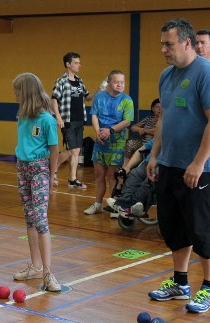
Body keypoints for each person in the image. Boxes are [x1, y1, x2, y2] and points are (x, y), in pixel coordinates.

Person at [146, 18, 210, 313]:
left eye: (169, 44)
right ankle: (181, 283)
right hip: (169, 164)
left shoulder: (207, 74)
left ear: (187, 43)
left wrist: (198, 163)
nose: (164, 49)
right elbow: (163, 119)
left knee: (202, 230)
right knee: (173, 228)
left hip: (199, 168)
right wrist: (155, 155)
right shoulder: (166, 76)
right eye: (162, 44)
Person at [11, 73, 61, 292]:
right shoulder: (22, 117)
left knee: (41, 220)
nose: (15, 96)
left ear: (27, 93)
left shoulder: (47, 120)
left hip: (40, 169)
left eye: (18, 92)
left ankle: (48, 273)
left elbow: (54, 150)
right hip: (23, 167)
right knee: (30, 218)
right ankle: (35, 266)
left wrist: (52, 176)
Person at [83, 70, 134, 215]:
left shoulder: (127, 100)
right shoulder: (99, 97)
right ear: (109, 83)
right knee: (99, 175)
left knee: (112, 176)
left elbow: (127, 122)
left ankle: (114, 206)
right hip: (100, 142)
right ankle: (98, 204)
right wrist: (98, 131)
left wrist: (110, 131)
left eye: (122, 82)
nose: (120, 85)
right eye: (117, 82)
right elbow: (94, 115)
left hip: (117, 143)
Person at [51, 52, 92, 189]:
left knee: (76, 151)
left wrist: (99, 91)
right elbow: (54, 99)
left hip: (80, 119)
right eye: (76, 62)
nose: (79, 65)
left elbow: (87, 97)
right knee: (70, 149)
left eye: (79, 62)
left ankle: (73, 179)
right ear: (68, 64)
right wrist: (58, 116)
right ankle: (53, 170)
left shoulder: (80, 81)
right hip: (67, 119)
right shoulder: (61, 81)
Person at [123, 98, 161, 167]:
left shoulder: (163, 121)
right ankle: (125, 167)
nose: (159, 109)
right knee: (130, 143)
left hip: (154, 144)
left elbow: (156, 131)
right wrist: (140, 129)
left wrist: (144, 131)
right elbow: (133, 127)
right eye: (157, 107)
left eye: (161, 107)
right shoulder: (148, 119)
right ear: (153, 108)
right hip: (142, 142)